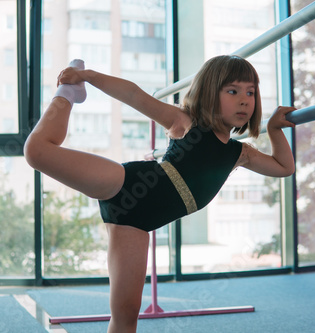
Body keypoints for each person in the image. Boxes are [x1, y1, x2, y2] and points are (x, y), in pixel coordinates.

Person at [24, 55, 295, 333]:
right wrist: (88, 77)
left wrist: (274, 129)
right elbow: (133, 95)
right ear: (209, 93)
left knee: (127, 313)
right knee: (37, 151)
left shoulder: (239, 153)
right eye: (232, 91)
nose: (244, 100)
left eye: (250, 92)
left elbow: (284, 167)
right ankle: (68, 94)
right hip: (126, 184)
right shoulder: (186, 121)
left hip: (135, 223)